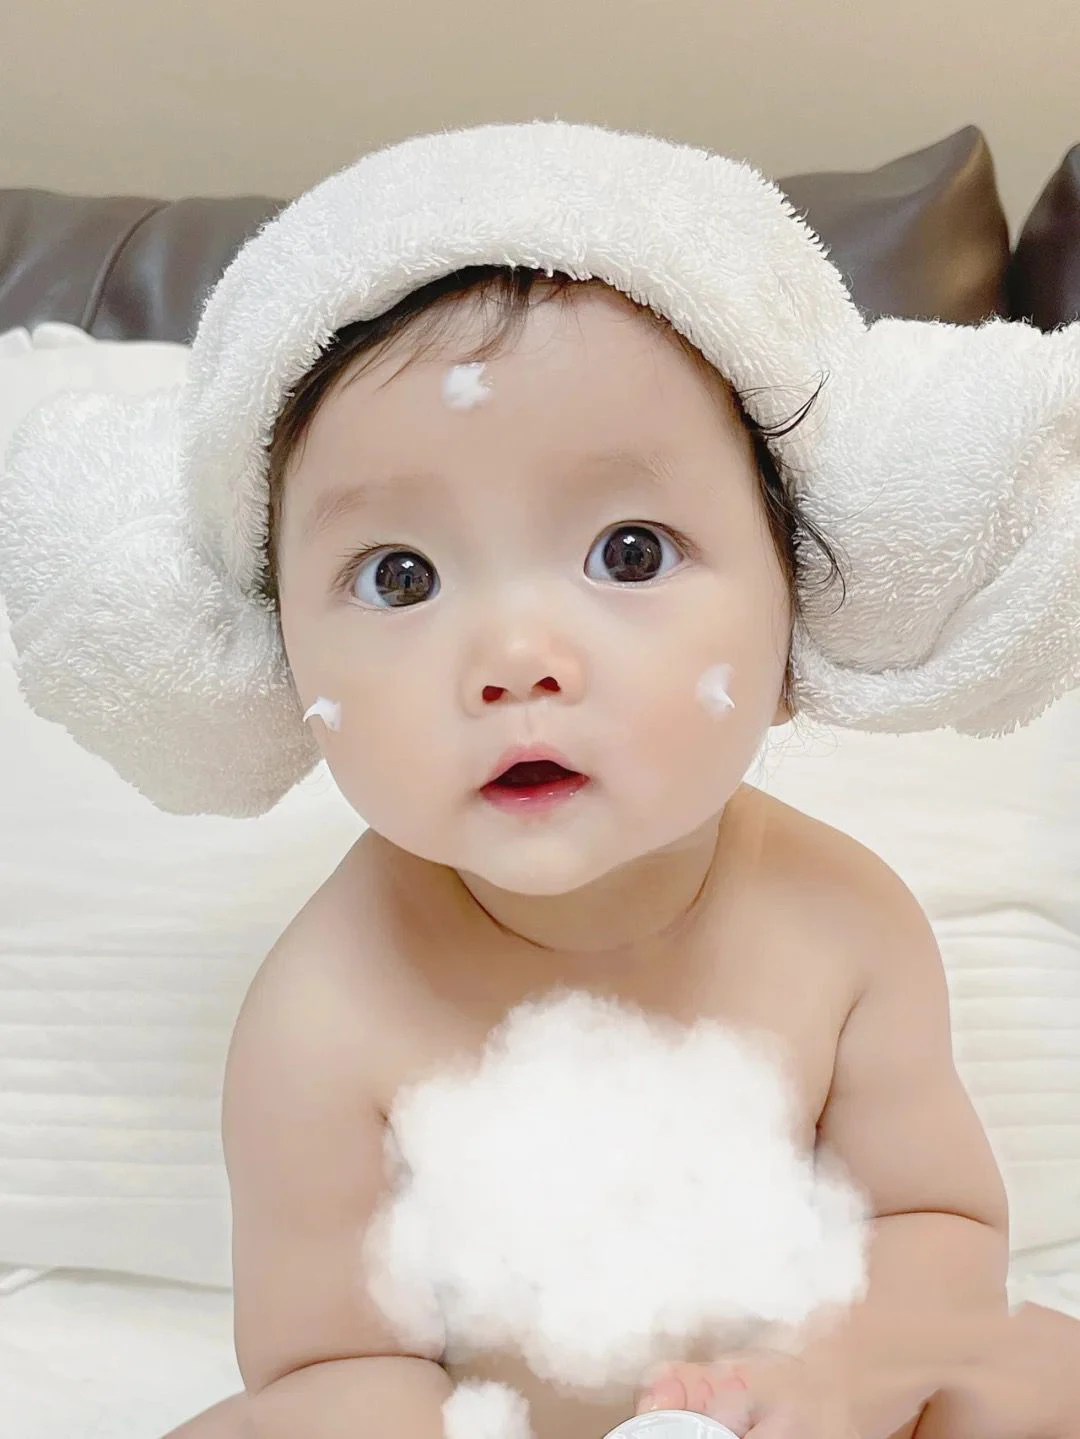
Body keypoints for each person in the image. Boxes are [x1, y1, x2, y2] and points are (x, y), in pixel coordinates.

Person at [1, 123, 1077, 1439]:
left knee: (1035, 1367)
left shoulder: (844, 923)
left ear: (797, 603)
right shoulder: (323, 1013)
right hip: (484, 1422)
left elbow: (936, 1223)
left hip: (802, 1411)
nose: (515, 660)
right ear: (276, 653)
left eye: (630, 551)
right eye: (399, 576)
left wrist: (839, 1377)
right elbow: (329, 1363)